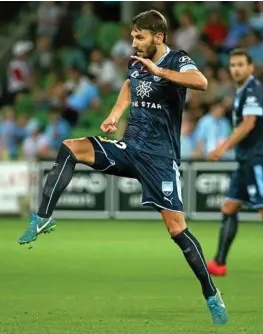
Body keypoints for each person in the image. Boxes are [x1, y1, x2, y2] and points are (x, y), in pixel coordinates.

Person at [18, 10, 228, 324]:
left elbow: (201, 81)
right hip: (130, 148)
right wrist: (115, 114)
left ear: (158, 36)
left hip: (160, 159)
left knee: (177, 230)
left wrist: (159, 70)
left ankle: (211, 293)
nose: (134, 42)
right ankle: (44, 216)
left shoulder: (177, 60)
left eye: (140, 37)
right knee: (70, 148)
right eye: (132, 36)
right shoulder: (135, 62)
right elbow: (130, 87)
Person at [207, 48, 263, 276]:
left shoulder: (253, 90)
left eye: (241, 64)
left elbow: (249, 123)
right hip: (244, 160)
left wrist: (223, 147)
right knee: (229, 206)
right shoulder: (240, 92)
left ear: (250, 67)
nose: (236, 69)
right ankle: (219, 263)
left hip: (257, 159)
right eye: (233, 65)